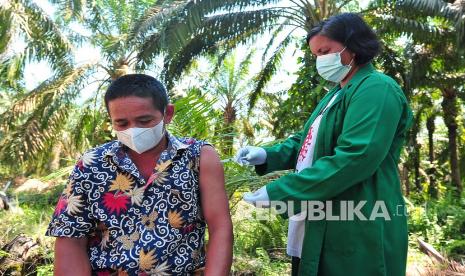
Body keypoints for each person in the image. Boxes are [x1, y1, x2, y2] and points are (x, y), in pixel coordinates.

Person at [235, 13, 413, 276]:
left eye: (325, 51)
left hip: (359, 218)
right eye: (315, 55)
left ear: (352, 46)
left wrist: (282, 190)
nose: (320, 60)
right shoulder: (335, 94)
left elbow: (356, 157)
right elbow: (306, 143)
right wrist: (265, 155)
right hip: (319, 217)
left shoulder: (376, 89)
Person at [46, 74, 233, 275]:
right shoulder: (91, 164)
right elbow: (71, 237)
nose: (133, 130)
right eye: (122, 123)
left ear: (167, 113)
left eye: (144, 120)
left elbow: (220, 228)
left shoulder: (199, 157)